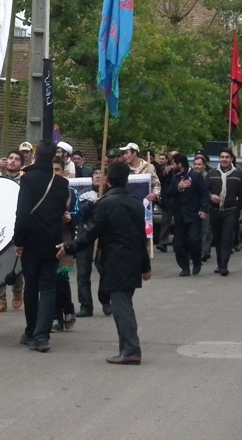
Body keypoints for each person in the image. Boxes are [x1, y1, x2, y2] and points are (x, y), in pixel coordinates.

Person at [57, 161, 152, 365]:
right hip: (132, 263)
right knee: (124, 305)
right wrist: (146, 267)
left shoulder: (106, 204)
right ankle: (129, 348)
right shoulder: (136, 204)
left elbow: (90, 234)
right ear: (126, 180)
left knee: (121, 309)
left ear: (108, 180)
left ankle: (131, 351)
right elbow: (140, 238)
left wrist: (68, 247)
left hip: (116, 264)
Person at [12, 139, 69, 353]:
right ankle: (42, 336)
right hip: (53, 241)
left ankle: (30, 330)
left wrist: (18, 241)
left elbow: (23, 214)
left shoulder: (27, 180)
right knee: (48, 287)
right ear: (56, 155)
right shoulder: (62, 184)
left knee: (31, 286)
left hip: (31, 242)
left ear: (35, 156)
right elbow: (61, 212)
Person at [0, 149, 25, 312]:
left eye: (16, 159)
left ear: (21, 164)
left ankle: (18, 292)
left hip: (15, 226)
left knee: (14, 264)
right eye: (10, 158)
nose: (12, 161)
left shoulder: (25, 181)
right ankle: (0, 300)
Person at [204, 149, 242, 276]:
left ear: (231, 159)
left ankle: (224, 265)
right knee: (217, 239)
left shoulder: (238, 174)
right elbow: (204, 191)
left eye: (227, 157)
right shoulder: (212, 173)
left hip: (231, 210)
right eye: (222, 157)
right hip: (215, 210)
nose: (224, 159)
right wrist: (211, 196)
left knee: (227, 238)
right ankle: (219, 263)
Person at [75, 169, 111, 317]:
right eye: (95, 174)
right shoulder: (84, 194)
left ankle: (105, 301)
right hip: (86, 236)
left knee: (105, 270)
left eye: (101, 173)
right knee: (83, 273)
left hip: (104, 238)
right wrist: (91, 205)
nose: (98, 176)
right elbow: (79, 213)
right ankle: (85, 305)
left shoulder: (110, 195)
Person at [166, 154, 209, 277]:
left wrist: (203, 209)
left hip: (194, 215)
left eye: (174, 163)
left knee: (194, 240)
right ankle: (184, 268)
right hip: (180, 216)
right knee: (179, 244)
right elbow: (168, 193)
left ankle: (197, 262)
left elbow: (204, 194)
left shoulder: (196, 176)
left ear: (179, 164)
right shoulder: (175, 178)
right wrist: (178, 188)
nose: (172, 166)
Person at [51, 156, 80, 332]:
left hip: (64, 237)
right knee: (49, 279)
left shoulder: (71, 192)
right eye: (51, 170)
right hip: (46, 237)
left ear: (63, 171)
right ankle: (55, 316)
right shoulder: (42, 191)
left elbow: (79, 215)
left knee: (61, 278)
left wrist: (70, 218)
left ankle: (67, 310)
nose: (54, 174)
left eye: (57, 170)